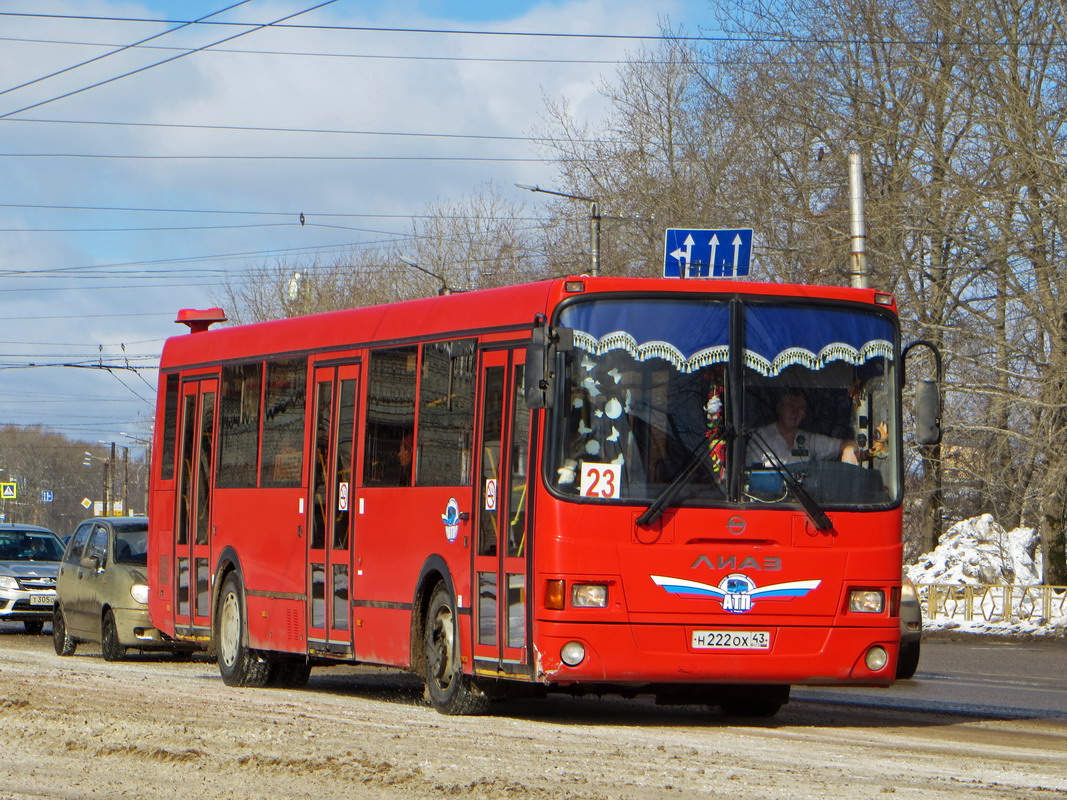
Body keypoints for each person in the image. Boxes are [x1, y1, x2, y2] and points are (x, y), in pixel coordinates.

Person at [747, 390, 859, 466]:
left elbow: (846, 444)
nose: (795, 412)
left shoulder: (808, 440)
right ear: (779, 408)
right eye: (790, 406)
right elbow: (756, 478)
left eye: (800, 407)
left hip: (803, 500)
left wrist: (848, 450)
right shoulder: (760, 438)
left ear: (804, 413)